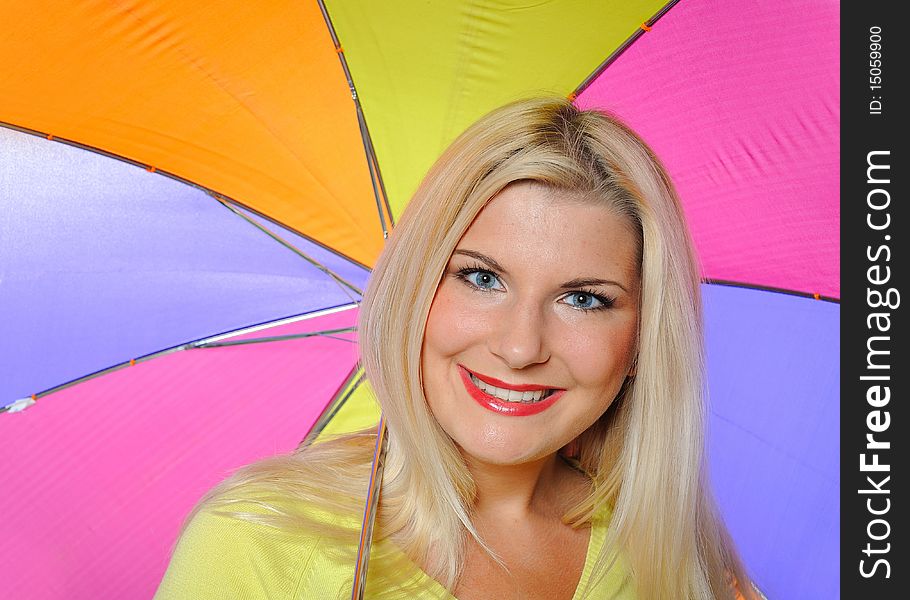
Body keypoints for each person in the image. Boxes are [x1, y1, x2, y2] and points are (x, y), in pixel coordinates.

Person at [155, 97, 760, 599]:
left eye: (583, 299)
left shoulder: (670, 557)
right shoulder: (259, 544)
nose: (521, 347)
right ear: (417, 292)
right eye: (481, 278)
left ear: (640, 342)